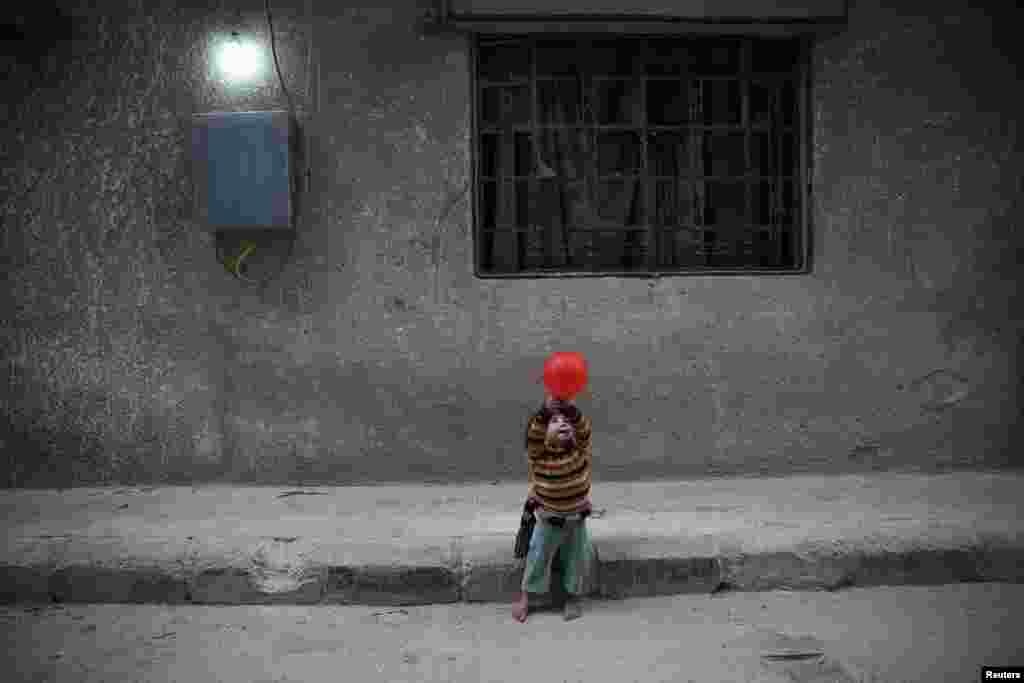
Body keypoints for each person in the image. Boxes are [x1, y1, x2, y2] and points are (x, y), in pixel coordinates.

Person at [512, 395, 594, 623]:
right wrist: (546, 412)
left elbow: (584, 429)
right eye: (555, 421)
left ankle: (573, 597)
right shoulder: (539, 456)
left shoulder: (579, 450)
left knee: (577, 559)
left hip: (576, 520)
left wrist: (572, 410)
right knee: (538, 555)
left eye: (566, 420)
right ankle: (526, 596)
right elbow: (535, 436)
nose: (563, 422)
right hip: (549, 519)